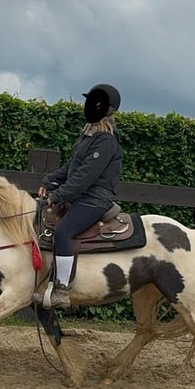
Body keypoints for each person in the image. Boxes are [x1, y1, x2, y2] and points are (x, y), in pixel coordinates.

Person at [32, 83, 123, 309]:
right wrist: (49, 181)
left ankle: (62, 290)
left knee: (64, 231)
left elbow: (85, 176)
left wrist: (59, 195)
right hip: (80, 196)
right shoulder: (88, 135)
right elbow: (71, 168)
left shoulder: (106, 140)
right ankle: (47, 283)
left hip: (94, 199)